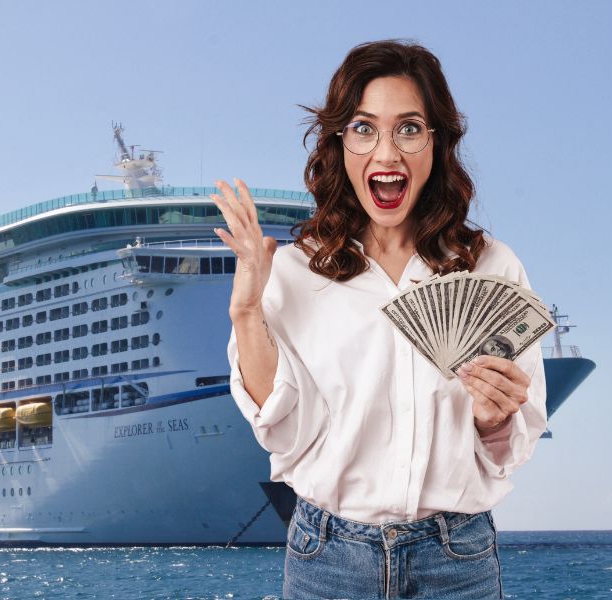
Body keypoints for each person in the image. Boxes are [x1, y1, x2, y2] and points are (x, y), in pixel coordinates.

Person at [212, 40, 546, 599]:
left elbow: (516, 440)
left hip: (456, 558)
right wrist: (247, 311)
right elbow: (283, 431)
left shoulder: (492, 264)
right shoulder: (295, 270)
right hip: (328, 559)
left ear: (437, 143)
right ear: (340, 142)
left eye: (409, 128)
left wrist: (494, 419)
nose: (386, 153)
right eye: (364, 129)